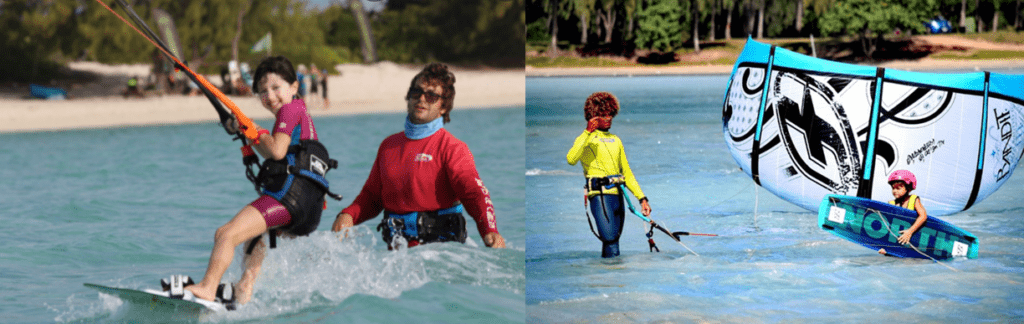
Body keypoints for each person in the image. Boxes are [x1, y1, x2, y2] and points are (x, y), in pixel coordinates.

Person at [184, 56, 337, 304]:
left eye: (276, 88)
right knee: (254, 236)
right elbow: (278, 151)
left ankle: (207, 287)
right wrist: (247, 133)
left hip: (290, 197)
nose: (270, 96)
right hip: (310, 210)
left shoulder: (291, 108)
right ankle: (245, 288)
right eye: (263, 91)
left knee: (226, 235)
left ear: (294, 87)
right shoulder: (302, 116)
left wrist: (257, 133)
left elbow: (275, 150)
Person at [330, 63, 505, 250]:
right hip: (398, 258)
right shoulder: (388, 146)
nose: (422, 99)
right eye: (417, 92)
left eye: (431, 96)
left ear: (443, 107)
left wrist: (490, 230)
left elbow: (473, 193)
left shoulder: (453, 148)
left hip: (444, 255)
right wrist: (348, 215)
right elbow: (372, 197)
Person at [566, 92, 651, 258]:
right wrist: (587, 133)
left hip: (617, 196)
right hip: (599, 195)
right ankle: (611, 277)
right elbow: (571, 159)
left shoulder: (616, 140)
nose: (609, 119)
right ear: (593, 117)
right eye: (604, 115)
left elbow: (627, 173)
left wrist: (642, 199)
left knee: (613, 241)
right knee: (610, 239)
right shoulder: (586, 139)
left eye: (610, 114)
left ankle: (610, 280)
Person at [878, 170, 928, 256]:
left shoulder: (914, 199)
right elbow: (888, 226)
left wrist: (910, 231)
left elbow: (923, 216)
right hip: (898, 239)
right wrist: (884, 246)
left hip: (912, 234)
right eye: (893, 188)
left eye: (898, 188)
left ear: (908, 188)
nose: (895, 191)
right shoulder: (891, 204)